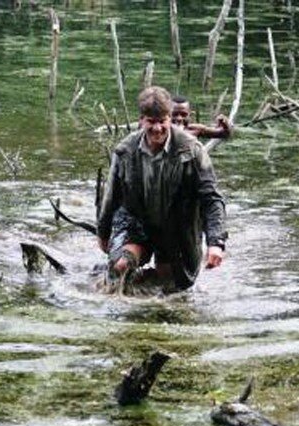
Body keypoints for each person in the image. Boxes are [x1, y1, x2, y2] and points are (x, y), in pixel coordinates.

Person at [97, 86, 227, 291]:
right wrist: (103, 233)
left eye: (162, 121)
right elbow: (111, 196)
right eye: (151, 122)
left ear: (169, 119)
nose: (157, 128)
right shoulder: (125, 150)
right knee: (120, 266)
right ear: (141, 120)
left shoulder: (192, 149)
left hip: (177, 226)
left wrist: (216, 242)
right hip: (137, 221)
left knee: (169, 286)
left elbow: (212, 199)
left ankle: (148, 292)